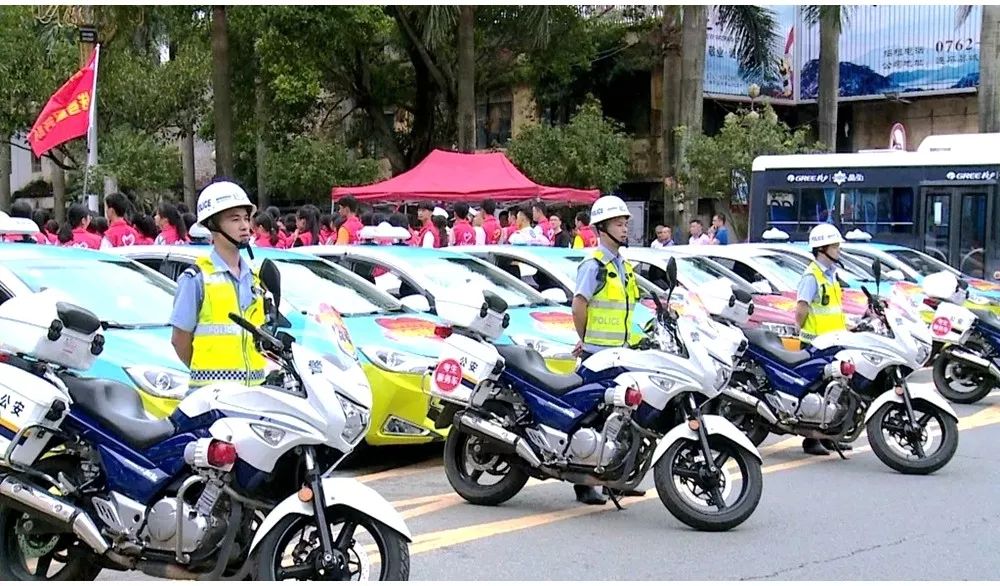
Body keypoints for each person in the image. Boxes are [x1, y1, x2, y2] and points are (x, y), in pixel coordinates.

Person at [570, 195, 644, 505]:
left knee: (623, 417)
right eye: (619, 223)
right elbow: (579, 304)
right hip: (598, 356)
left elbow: (629, 309)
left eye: (626, 222)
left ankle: (616, 478)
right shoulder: (594, 265)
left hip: (621, 353)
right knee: (591, 417)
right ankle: (583, 482)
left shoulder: (623, 266)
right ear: (602, 228)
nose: (625, 228)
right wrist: (585, 339)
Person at [169, 181, 268, 389]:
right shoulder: (196, 278)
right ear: (212, 225)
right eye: (235, 219)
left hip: (256, 395)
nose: (244, 226)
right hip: (211, 398)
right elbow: (180, 340)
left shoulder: (255, 277)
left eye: (246, 218)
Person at [797, 223, 852, 456]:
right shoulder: (812, 276)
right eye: (835, 245)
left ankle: (830, 436)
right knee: (815, 392)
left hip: (833, 342)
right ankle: (810, 440)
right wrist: (804, 333)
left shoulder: (831, 275)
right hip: (815, 344)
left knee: (835, 392)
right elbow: (801, 309)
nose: (838, 249)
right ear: (822, 248)